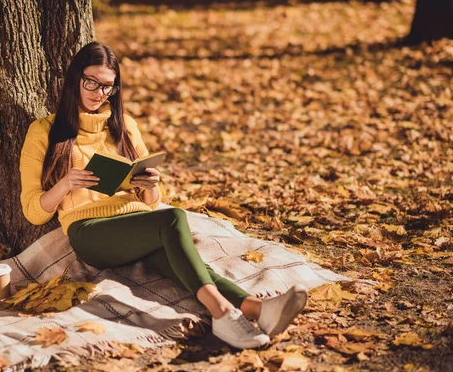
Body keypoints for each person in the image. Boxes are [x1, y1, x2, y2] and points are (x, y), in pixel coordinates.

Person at [19, 42, 308, 349]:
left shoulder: (124, 126)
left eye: (107, 86)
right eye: (91, 82)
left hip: (136, 222)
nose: (98, 92)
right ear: (74, 79)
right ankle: (222, 312)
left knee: (183, 260)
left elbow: (153, 201)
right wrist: (65, 184)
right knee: (173, 218)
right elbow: (33, 211)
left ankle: (255, 309)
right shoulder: (44, 132)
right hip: (89, 232)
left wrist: (150, 183)